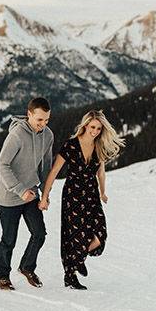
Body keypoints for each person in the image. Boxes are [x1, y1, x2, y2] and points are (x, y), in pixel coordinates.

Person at [39, 110, 125, 290]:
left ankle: (77, 260)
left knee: (100, 233)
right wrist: (45, 197)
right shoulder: (71, 145)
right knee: (76, 236)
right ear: (85, 125)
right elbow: (54, 172)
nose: (95, 131)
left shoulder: (99, 146)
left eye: (99, 129)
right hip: (73, 195)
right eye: (93, 127)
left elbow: (100, 172)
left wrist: (102, 192)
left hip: (92, 195)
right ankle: (70, 276)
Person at [0, 97, 54, 290]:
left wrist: (44, 195)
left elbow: (46, 168)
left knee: (39, 234)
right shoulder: (17, 134)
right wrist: (20, 190)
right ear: (29, 114)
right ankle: (3, 275)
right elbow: (1, 166)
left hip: (31, 194)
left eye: (46, 120)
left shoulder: (48, 135)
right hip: (10, 197)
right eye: (39, 120)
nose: (43, 124)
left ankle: (27, 267)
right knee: (9, 239)